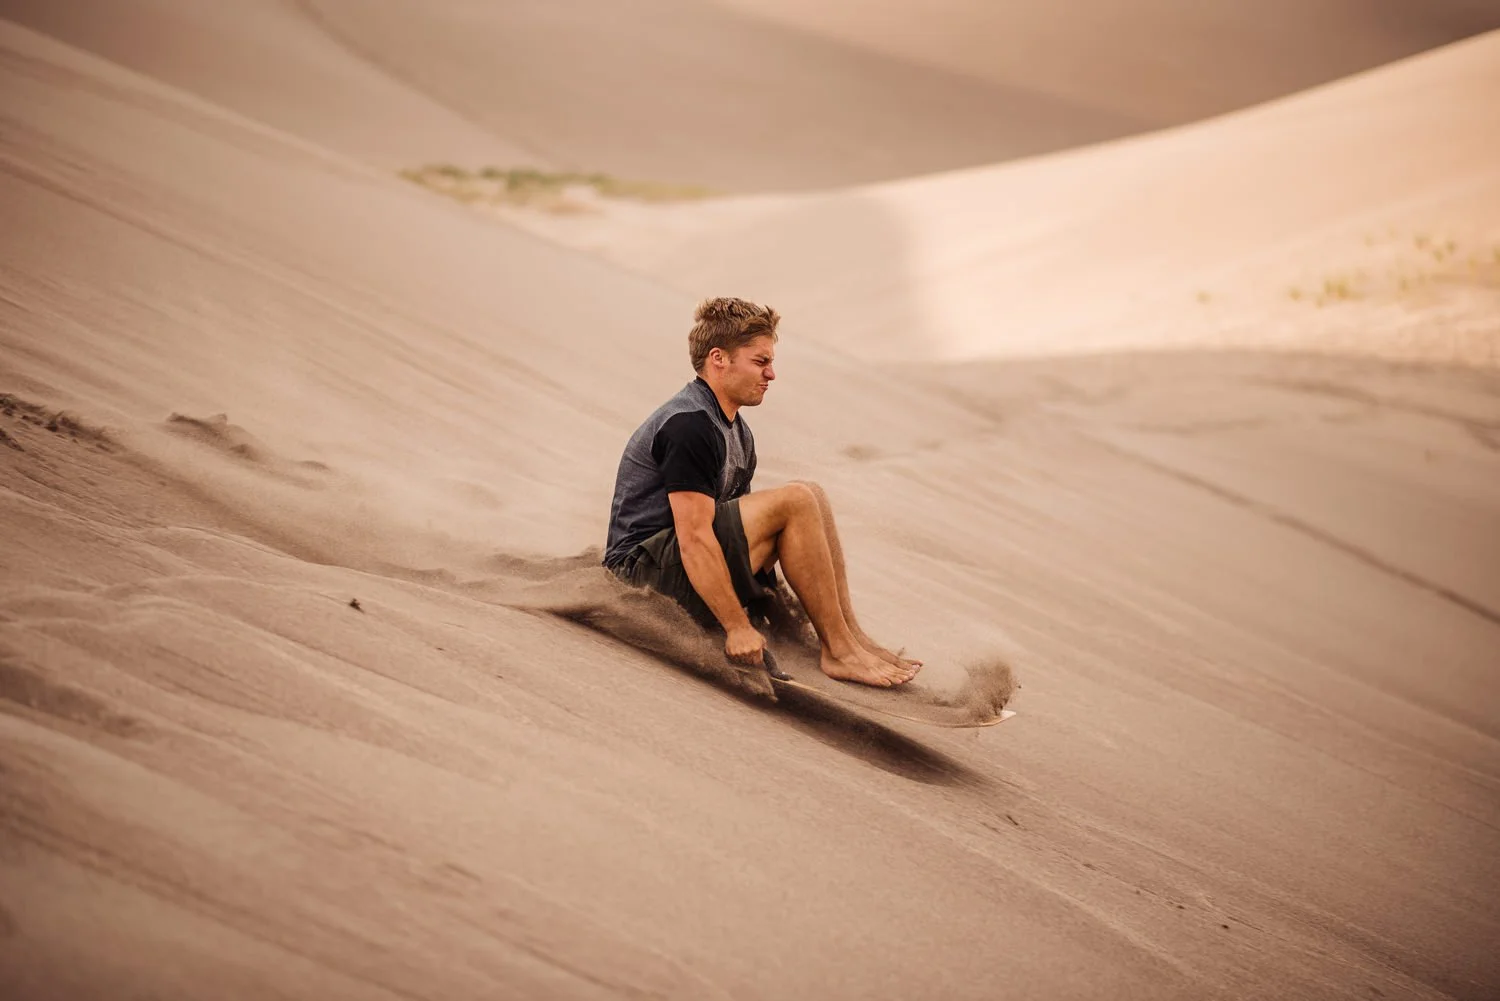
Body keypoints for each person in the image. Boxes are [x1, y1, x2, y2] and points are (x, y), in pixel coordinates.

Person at [603, 297, 920, 688]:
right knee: (796, 500)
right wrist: (736, 628)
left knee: (811, 493)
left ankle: (850, 637)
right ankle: (839, 650)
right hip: (638, 580)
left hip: (681, 572)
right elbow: (696, 539)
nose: (771, 374)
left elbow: (744, 538)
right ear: (719, 359)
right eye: (760, 362)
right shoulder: (688, 426)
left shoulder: (738, 432)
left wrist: (772, 618)